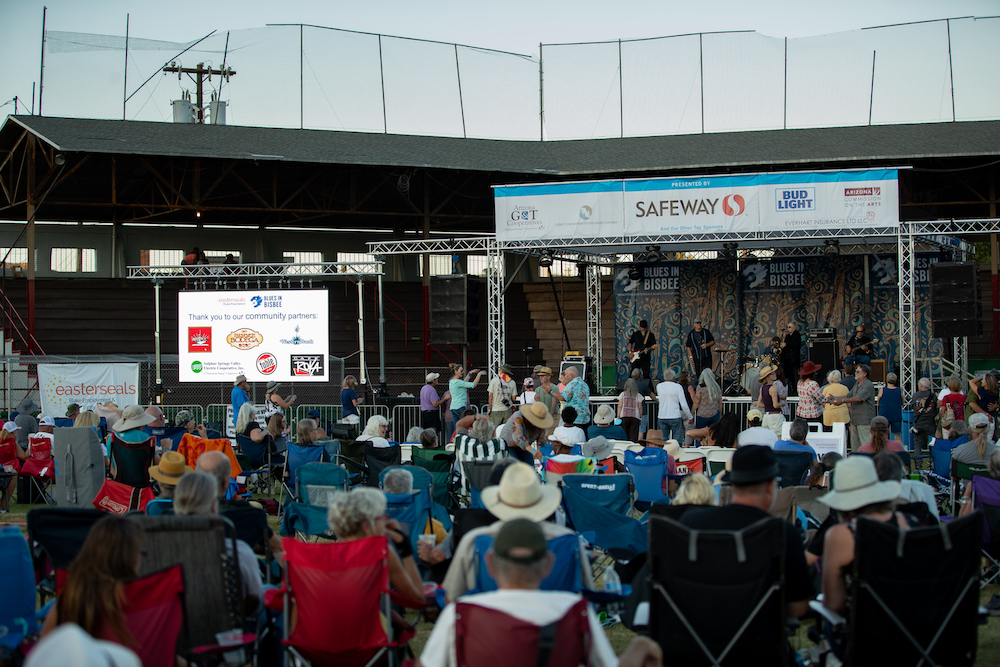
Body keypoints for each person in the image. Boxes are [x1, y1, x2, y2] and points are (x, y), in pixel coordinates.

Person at [419, 519, 663, 667]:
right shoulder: (575, 612)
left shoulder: (460, 614)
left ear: (490, 564)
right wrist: (640, 646)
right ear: (548, 564)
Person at [681, 446, 814, 618]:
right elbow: (798, 608)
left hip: (696, 633)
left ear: (731, 484)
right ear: (769, 487)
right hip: (758, 639)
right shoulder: (783, 533)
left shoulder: (692, 522)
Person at [442, 462, 593, 602]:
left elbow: (452, 598)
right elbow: (587, 596)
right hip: (554, 626)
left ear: (498, 501)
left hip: (487, 626)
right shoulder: (568, 540)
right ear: (540, 499)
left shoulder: (474, 540)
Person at [818, 455, 908, 616]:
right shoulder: (904, 523)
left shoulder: (842, 535)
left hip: (864, 631)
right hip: (910, 625)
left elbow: (834, 603)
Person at [40, 515, 144, 644]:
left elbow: (46, 644)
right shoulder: (148, 601)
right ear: (132, 558)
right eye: (141, 553)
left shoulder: (72, 598)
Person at [173, 471, 263, 610]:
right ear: (214, 506)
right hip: (230, 625)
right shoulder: (237, 551)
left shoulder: (162, 551)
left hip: (177, 625)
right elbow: (254, 598)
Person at [327, 487, 425, 605]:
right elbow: (418, 598)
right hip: (368, 622)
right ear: (367, 527)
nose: (386, 520)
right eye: (381, 516)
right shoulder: (382, 553)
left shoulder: (323, 556)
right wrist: (404, 544)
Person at [832, 364, 875, 452]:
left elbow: (858, 398)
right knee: (855, 446)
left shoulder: (868, 385)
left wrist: (842, 402)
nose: (855, 373)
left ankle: (868, 463)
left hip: (864, 420)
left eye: (858, 371)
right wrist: (835, 398)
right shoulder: (857, 384)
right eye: (856, 371)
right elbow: (848, 396)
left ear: (865, 374)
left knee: (866, 445)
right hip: (855, 420)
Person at [652, 369, 693, 442]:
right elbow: (683, 404)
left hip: (662, 415)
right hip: (675, 416)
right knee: (677, 441)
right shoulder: (678, 387)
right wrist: (690, 416)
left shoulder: (659, 386)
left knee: (663, 440)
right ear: (674, 377)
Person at [958, 449, 1000, 516]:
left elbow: (962, 519)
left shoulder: (981, 488)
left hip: (986, 526)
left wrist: (966, 495)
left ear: (989, 467)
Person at [448, 363, 485, 436]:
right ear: (455, 371)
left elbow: (464, 382)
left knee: (457, 427)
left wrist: (470, 373)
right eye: (461, 371)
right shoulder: (458, 382)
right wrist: (479, 374)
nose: (463, 372)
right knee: (464, 426)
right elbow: (473, 385)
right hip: (460, 406)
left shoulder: (452, 381)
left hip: (453, 407)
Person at [907, 377, 938, 457]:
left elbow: (912, 406)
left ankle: (918, 464)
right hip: (930, 422)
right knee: (932, 443)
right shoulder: (933, 395)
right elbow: (935, 407)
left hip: (918, 422)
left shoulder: (915, 395)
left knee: (917, 444)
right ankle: (932, 463)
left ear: (920, 385)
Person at [755, 365, 785, 438]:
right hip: (775, 416)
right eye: (772, 373)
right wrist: (782, 404)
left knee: (767, 437)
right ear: (768, 377)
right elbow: (775, 405)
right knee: (779, 437)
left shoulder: (762, 388)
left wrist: (768, 405)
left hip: (766, 416)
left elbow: (759, 404)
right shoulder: (773, 388)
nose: (775, 374)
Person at [968, 373, 999, 442]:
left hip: (983, 419)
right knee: (988, 442)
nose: (982, 381)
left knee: (980, 442)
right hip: (992, 420)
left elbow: (971, 382)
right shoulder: (995, 393)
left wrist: (980, 377)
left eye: (983, 380)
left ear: (987, 382)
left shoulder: (983, 393)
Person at [617, 377, 646, 442]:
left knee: (624, 435)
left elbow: (620, 406)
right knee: (633, 436)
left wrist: (618, 416)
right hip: (635, 417)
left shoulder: (622, 394)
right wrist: (640, 417)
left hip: (624, 416)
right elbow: (640, 407)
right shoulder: (638, 395)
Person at [877, 372, 903, 438]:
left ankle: (885, 448)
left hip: (884, 414)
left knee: (883, 436)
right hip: (896, 415)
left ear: (887, 380)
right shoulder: (899, 390)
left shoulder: (882, 390)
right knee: (897, 436)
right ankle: (900, 448)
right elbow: (902, 400)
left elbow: (879, 399)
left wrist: (879, 405)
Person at [779, 322, 801, 395]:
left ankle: (794, 390)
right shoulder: (787, 336)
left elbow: (796, 345)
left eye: (789, 327)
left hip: (793, 360)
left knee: (793, 376)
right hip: (786, 359)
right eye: (788, 327)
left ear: (794, 328)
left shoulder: (797, 335)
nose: (788, 328)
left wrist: (786, 344)